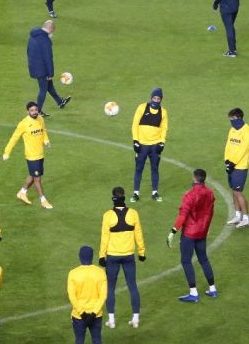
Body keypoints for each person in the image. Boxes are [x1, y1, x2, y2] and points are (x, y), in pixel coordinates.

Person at [166, 169, 217, 302]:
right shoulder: (210, 193)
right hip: (202, 232)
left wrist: (173, 231)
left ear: (194, 179)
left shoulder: (189, 195)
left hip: (189, 233)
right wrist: (206, 228)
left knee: (186, 261)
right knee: (203, 259)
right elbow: (210, 213)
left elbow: (183, 216)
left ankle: (193, 293)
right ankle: (212, 289)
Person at [98, 187, 146, 329]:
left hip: (112, 257)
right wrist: (141, 252)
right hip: (128, 256)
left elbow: (104, 237)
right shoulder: (133, 213)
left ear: (113, 198)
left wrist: (102, 255)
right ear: (124, 197)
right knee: (132, 286)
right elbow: (138, 234)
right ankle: (135, 319)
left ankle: (111, 320)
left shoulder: (108, 215)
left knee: (110, 288)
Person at [2, 102, 54, 209]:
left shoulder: (40, 119)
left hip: (40, 154)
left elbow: (43, 131)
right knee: (37, 179)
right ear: (27, 112)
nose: (35, 112)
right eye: (32, 110)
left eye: (36, 110)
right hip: (31, 156)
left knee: (33, 175)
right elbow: (14, 138)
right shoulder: (23, 124)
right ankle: (43, 200)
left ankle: (22, 192)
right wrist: (7, 152)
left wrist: (46, 140)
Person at [26, 20, 71, 117]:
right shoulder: (46, 41)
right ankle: (37, 112)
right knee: (43, 89)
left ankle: (60, 102)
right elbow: (48, 58)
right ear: (51, 29)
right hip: (42, 69)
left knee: (49, 85)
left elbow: (28, 50)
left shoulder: (33, 34)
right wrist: (50, 74)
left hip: (34, 65)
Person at [131, 87, 168, 202]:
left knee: (155, 168)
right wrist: (135, 141)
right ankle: (136, 193)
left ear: (161, 99)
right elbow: (135, 124)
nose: (156, 100)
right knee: (139, 168)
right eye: (154, 98)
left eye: (158, 99)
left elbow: (164, 128)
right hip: (142, 145)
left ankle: (155, 193)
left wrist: (162, 142)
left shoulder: (163, 112)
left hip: (155, 145)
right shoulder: (142, 108)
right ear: (151, 98)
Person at [67, 246, 107, 344]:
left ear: (80, 257)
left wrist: (82, 314)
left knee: (79, 341)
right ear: (92, 257)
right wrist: (93, 313)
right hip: (96, 315)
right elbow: (103, 296)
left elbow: (72, 297)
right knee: (97, 340)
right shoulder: (100, 272)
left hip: (79, 316)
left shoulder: (73, 273)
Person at [224, 107, 249, 228]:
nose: (231, 121)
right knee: (234, 190)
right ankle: (237, 215)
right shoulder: (232, 130)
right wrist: (227, 160)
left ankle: (246, 217)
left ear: (239, 118)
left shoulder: (248, 132)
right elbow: (228, 145)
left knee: (238, 192)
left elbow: (243, 150)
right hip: (231, 164)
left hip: (240, 166)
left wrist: (233, 163)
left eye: (233, 118)